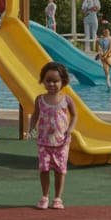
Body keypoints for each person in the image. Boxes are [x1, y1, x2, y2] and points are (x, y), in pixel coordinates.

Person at [28, 61, 76, 210]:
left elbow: (74, 115)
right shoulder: (40, 99)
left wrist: (70, 129)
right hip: (44, 142)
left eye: (56, 81)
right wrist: (31, 129)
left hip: (61, 142)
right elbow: (35, 115)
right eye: (48, 80)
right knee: (44, 169)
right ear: (43, 80)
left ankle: (57, 198)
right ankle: (44, 196)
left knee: (60, 171)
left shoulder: (66, 99)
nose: (52, 84)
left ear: (63, 82)